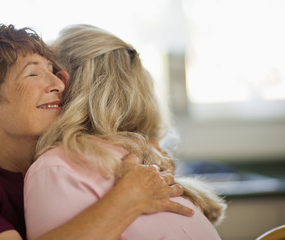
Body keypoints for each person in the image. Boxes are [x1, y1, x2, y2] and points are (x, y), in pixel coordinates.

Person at [0, 24, 194, 240]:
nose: (58, 83)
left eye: (53, 71)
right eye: (32, 74)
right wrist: (126, 200)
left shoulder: (49, 164)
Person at [24, 24, 224, 240]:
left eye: (50, 72)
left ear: (64, 84)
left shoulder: (57, 167)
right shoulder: (148, 164)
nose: (49, 84)